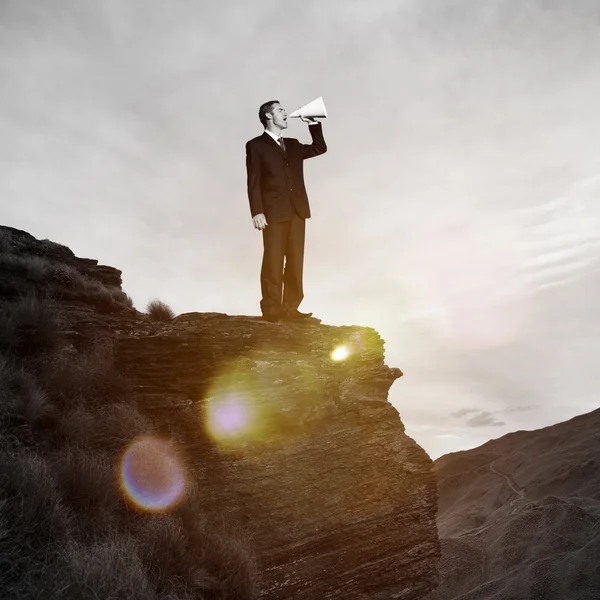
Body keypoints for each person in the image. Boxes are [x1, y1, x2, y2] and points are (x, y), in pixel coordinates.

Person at [245, 100, 327, 322]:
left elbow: (320, 147)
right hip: (272, 212)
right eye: (280, 110)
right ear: (268, 116)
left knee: (295, 260)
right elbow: (253, 180)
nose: (285, 113)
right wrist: (257, 211)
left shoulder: (293, 144)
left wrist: (313, 123)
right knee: (272, 259)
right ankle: (272, 308)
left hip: (298, 211)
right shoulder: (255, 145)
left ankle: (291, 308)